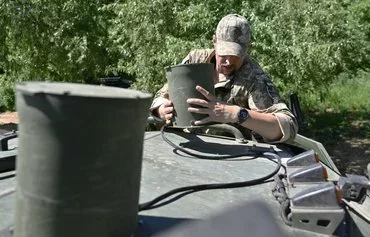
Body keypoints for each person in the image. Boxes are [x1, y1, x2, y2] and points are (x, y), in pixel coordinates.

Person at [150, 14, 298, 143]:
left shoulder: (254, 77)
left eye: (235, 56)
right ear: (214, 41)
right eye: (223, 54)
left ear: (248, 48)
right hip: (188, 144)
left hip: (230, 157)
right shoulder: (195, 60)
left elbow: (288, 127)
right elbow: (161, 97)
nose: (227, 62)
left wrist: (236, 114)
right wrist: (161, 109)